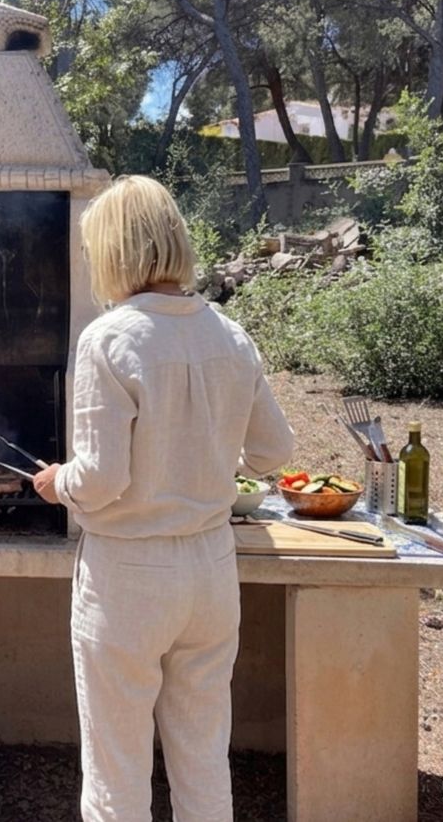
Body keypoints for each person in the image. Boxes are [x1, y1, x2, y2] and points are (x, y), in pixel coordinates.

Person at [33, 175, 295, 822]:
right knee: (204, 754)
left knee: (116, 769)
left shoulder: (108, 338)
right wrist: (210, 460)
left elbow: (101, 480)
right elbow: (274, 452)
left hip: (126, 575)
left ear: (112, 252)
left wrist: (58, 482)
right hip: (211, 569)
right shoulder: (230, 335)